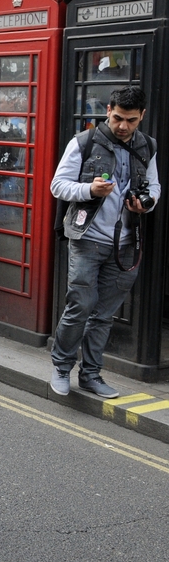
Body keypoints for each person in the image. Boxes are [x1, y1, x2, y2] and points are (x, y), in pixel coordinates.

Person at [50, 86, 159, 399]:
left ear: (142, 117)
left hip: (126, 244)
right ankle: (61, 366)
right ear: (108, 110)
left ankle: (91, 375)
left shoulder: (147, 146)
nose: (124, 126)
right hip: (88, 240)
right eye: (118, 118)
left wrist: (147, 203)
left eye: (132, 120)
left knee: (104, 315)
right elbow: (58, 185)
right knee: (80, 307)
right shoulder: (84, 142)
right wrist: (89, 190)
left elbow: (155, 186)